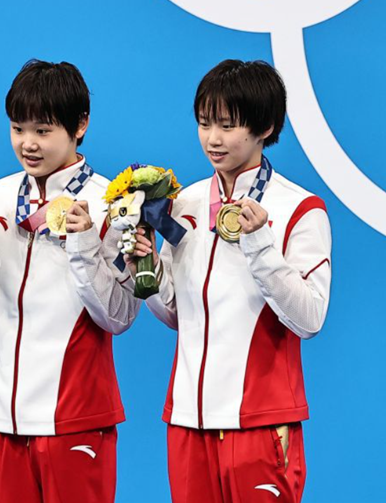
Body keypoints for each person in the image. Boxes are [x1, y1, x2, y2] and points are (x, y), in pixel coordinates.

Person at [127, 59, 332, 503]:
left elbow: (310, 318)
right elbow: (176, 314)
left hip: (259, 422)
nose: (213, 139)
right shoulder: (183, 204)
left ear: (265, 127)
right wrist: (149, 269)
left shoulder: (300, 209)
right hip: (188, 421)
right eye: (204, 123)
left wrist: (259, 244)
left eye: (227, 125)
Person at [0, 59, 140, 503]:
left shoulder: (111, 204)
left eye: (43, 130)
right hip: (3, 416)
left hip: (75, 417)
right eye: (18, 128)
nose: (27, 143)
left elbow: (120, 316)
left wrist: (83, 242)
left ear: (80, 125)